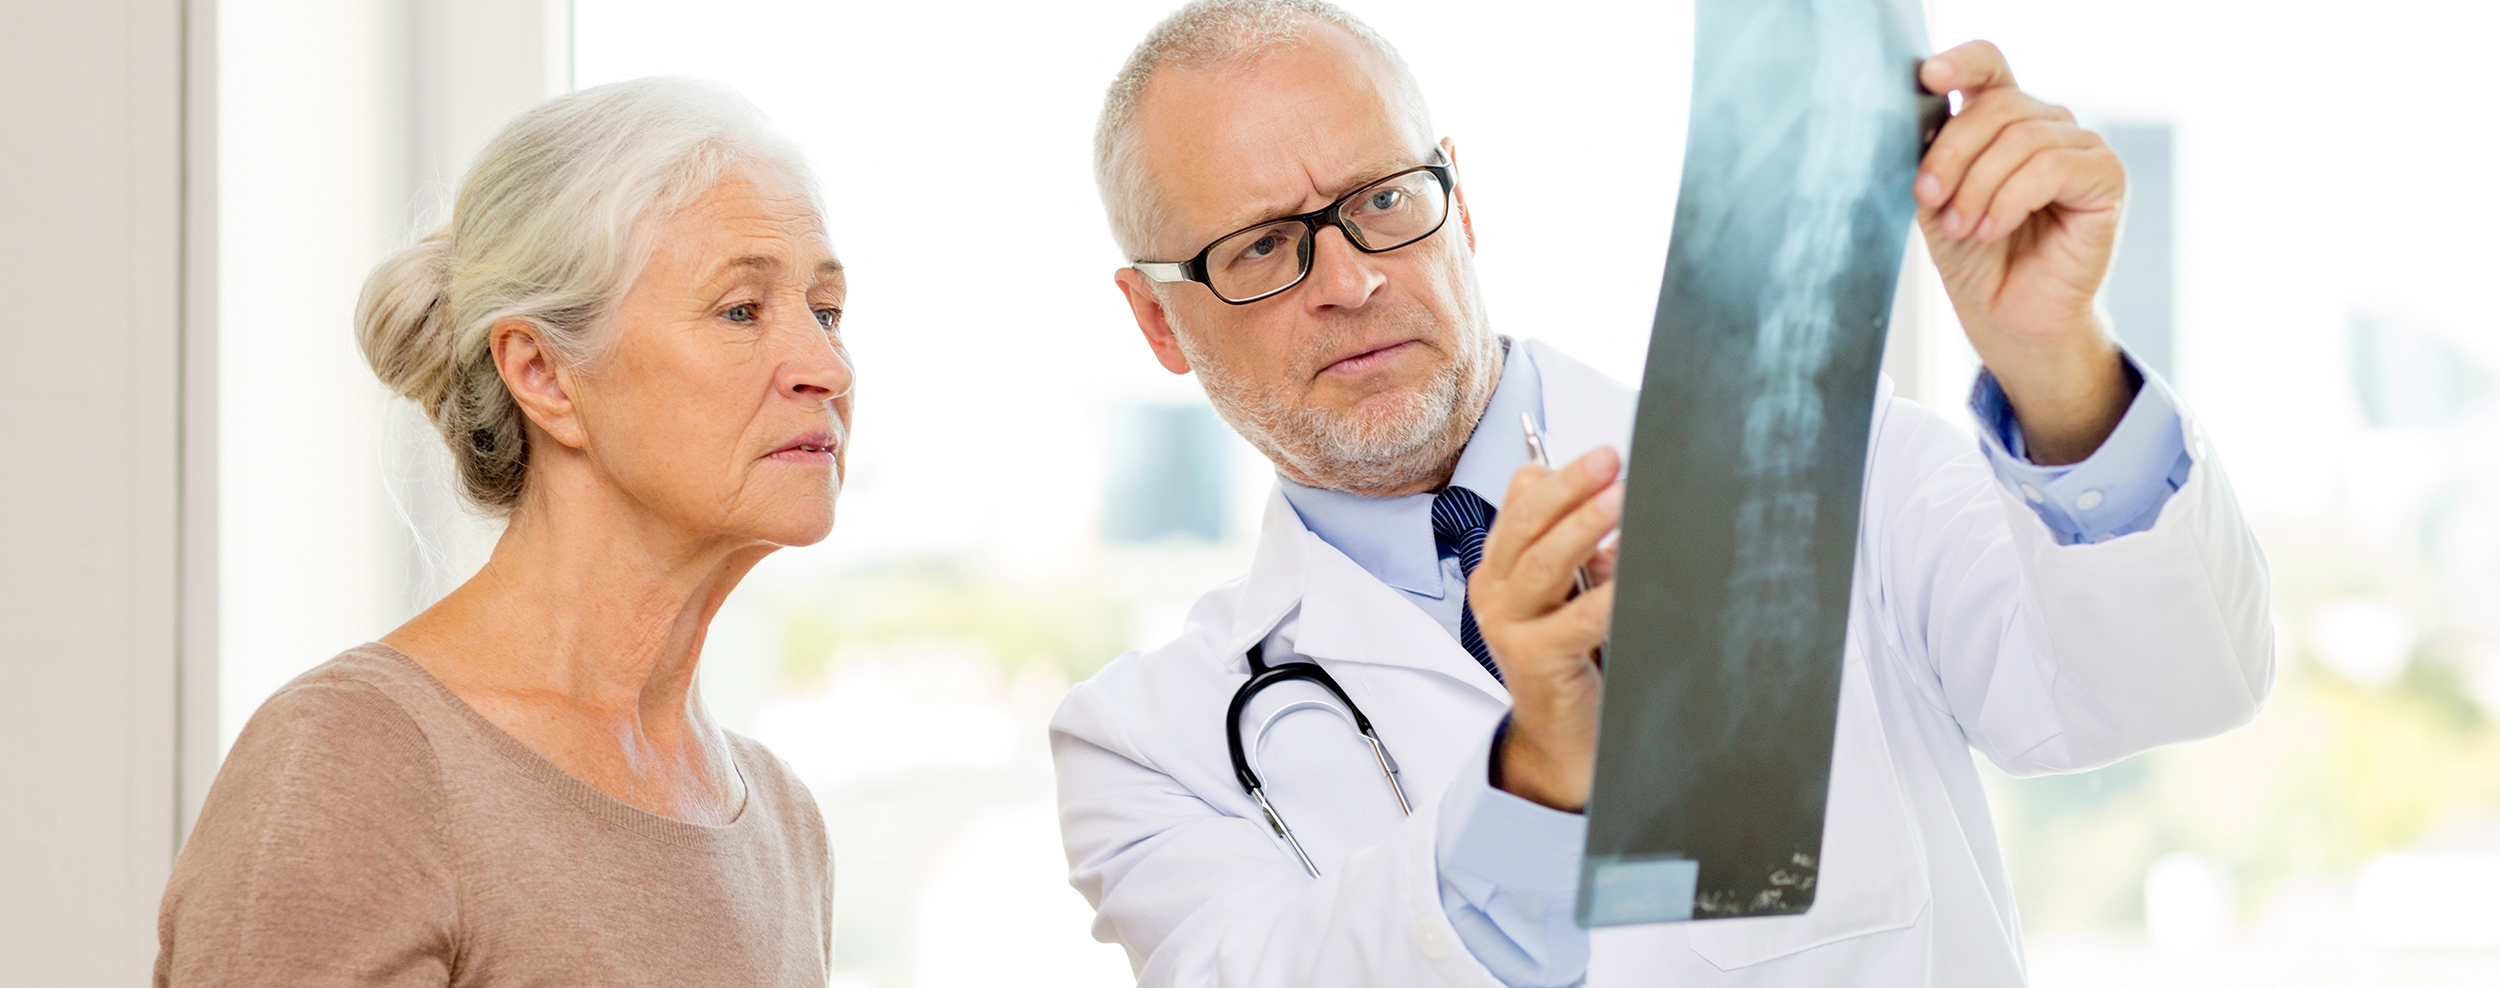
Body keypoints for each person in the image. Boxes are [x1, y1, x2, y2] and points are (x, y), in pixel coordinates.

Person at [1049, 2, 2273, 986]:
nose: (1351, 279)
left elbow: (2175, 681)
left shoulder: (1839, 467)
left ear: (1458, 199)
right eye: (1263, 248)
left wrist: (2054, 364)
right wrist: (1537, 772)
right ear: (1156, 318)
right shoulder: (1145, 749)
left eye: (1381, 201)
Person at [156, 78, 850, 986]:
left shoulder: (784, 823)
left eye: (826, 312)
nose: (826, 366)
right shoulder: (354, 763)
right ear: (543, 375)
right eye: (741, 310)